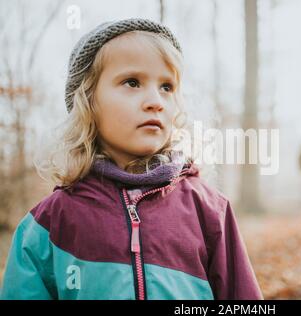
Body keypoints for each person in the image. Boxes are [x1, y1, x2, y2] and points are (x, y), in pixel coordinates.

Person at [0, 19, 262, 300]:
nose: (156, 101)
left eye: (167, 87)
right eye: (132, 82)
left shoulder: (209, 209)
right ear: (88, 102)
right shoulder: (48, 224)